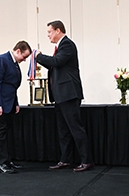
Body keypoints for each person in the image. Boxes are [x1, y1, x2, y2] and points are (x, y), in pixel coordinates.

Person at [34, 20, 93, 172]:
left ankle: (87, 161)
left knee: (75, 128)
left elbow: (57, 61)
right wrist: (39, 59)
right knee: (63, 130)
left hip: (69, 94)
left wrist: (39, 56)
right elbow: (54, 64)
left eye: (49, 32)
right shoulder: (60, 47)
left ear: (58, 31)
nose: (48, 35)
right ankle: (66, 159)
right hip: (60, 95)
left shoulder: (67, 44)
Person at [0, 41, 32, 174]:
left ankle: (7, 160)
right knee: (0, 133)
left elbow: (12, 86)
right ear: (18, 51)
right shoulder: (2, 60)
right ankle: (1, 163)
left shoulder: (13, 63)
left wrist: (16, 102)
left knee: (6, 133)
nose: (24, 60)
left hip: (7, 103)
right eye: (24, 56)